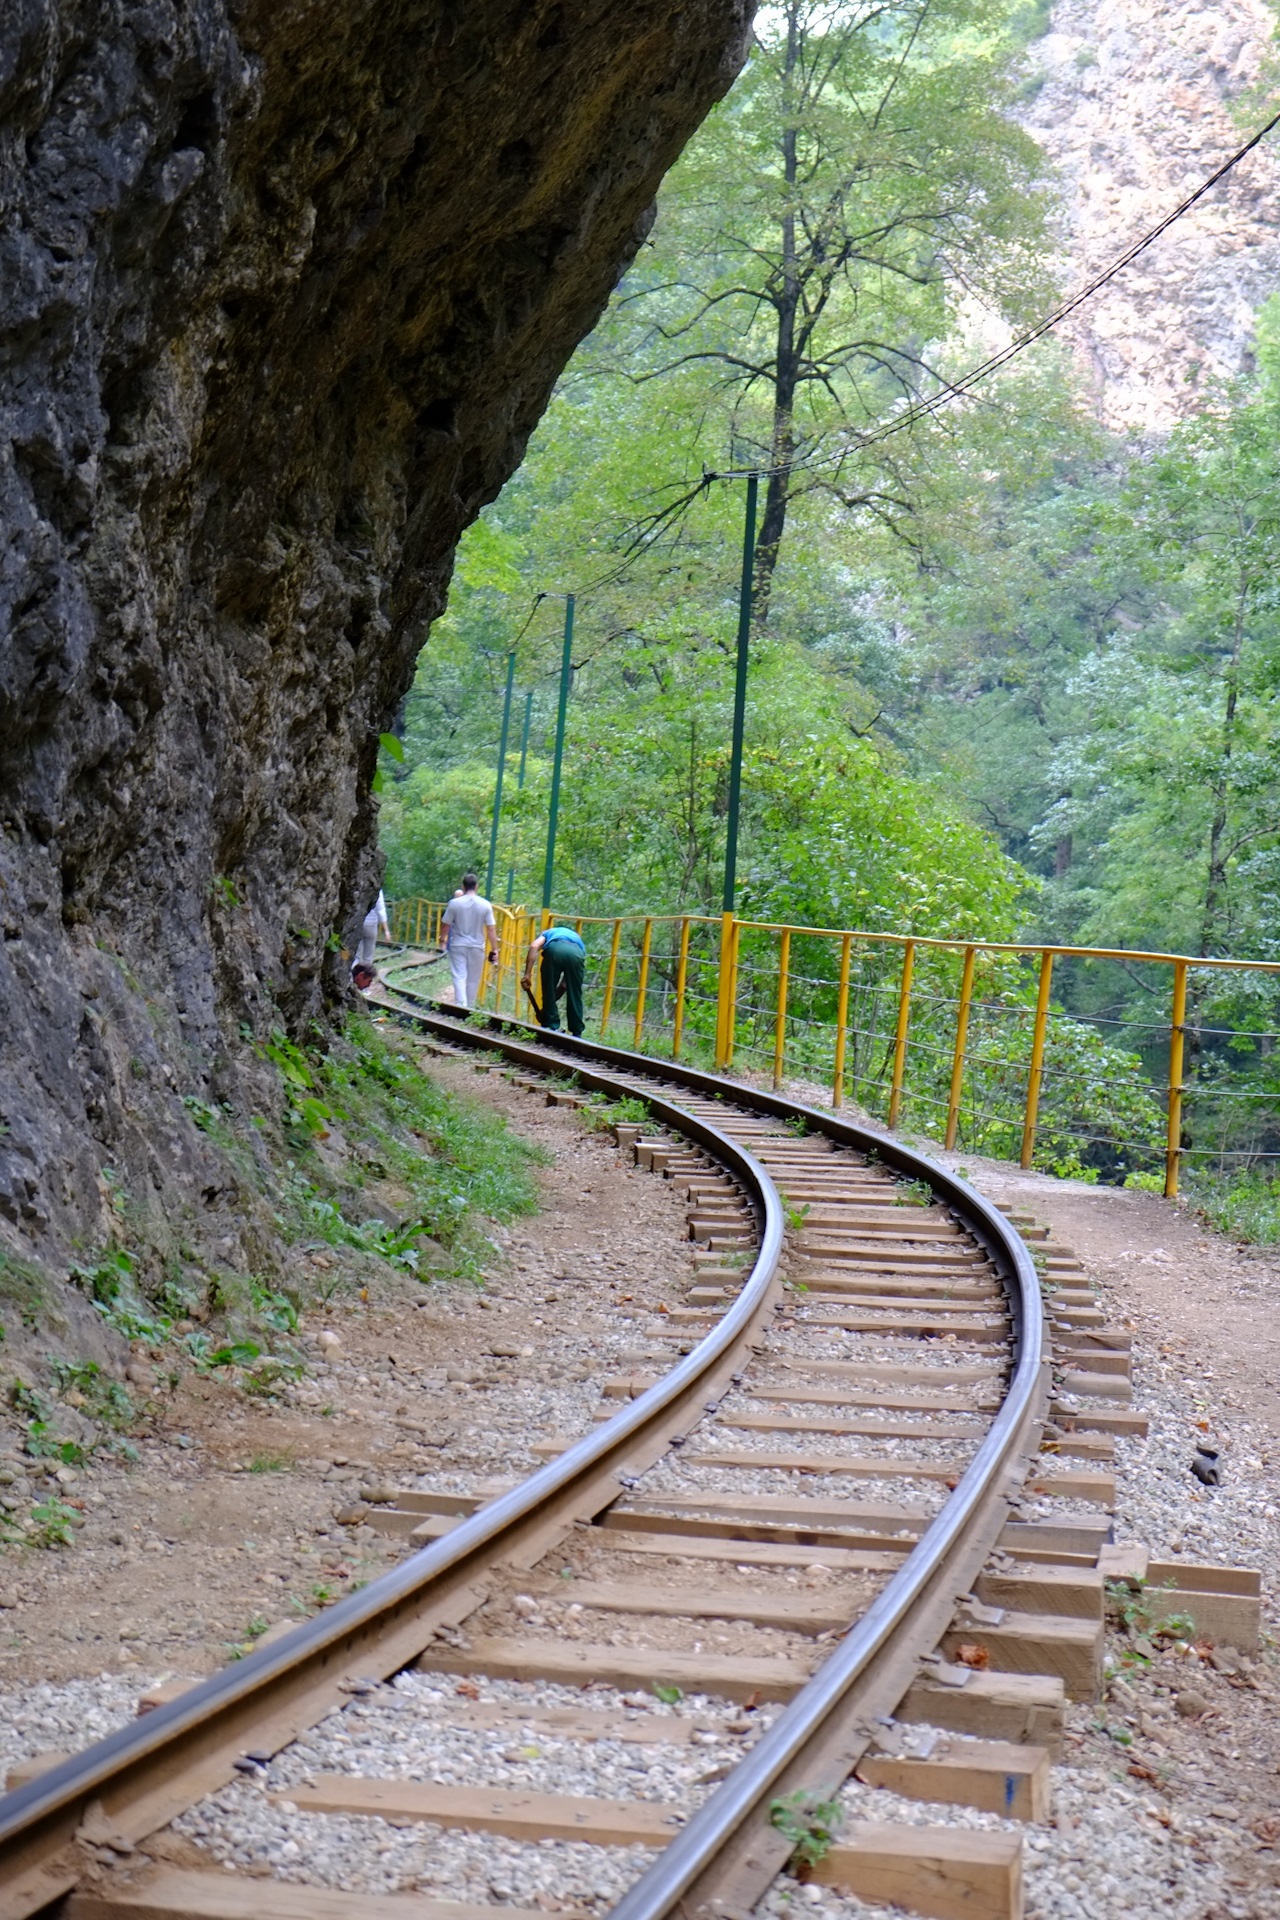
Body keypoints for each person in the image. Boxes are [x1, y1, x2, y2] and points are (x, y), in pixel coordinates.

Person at [442, 873, 498, 1010]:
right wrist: (494, 949)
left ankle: (461, 1006)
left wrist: (442, 939)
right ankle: (470, 1007)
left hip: (458, 945)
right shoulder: (485, 905)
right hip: (477, 946)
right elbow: (491, 929)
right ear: (476, 887)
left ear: (463, 886)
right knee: (474, 978)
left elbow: (445, 924)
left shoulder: (454, 903)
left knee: (459, 976)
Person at [521, 923, 587, 1036]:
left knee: (548, 988)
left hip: (554, 950)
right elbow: (564, 986)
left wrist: (527, 974)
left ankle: (550, 1026)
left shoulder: (547, 933)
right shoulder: (577, 939)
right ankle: (577, 1032)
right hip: (577, 954)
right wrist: (546, 1007)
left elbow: (534, 947)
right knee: (575, 994)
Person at [351, 889, 389, 987]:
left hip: (358, 923)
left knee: (356, 955)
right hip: (371, 925)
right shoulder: (377, 890)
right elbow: (381, 909)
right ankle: (366, 986)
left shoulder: (360, 885)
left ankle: (353, 981)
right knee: (368, 957)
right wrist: (386, 930)